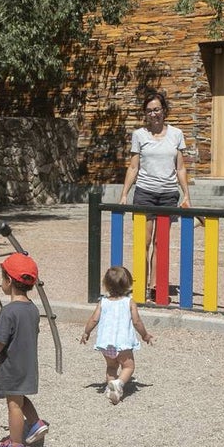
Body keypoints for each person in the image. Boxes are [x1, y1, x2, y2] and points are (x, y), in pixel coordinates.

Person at [118, 89, 191, 298]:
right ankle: (139, 285)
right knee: (144, 241)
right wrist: (124, 194)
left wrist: (186, 194)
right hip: (145, 193)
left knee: (161, 243)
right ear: (145, 114)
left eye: (157, 109)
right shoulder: (139, 135)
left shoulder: (176, 134)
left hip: (168, 194)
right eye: (149, 111)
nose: (153, 114)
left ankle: (156, 287)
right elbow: (133, 167)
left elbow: (180, 168)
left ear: (164, 110)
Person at [0, 252, 48, 447]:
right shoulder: (32, 309)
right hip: (28, 364)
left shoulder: (8, 312)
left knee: (14, 405)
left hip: (12, 366)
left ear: (8, 281)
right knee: (20, 397)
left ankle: (16, 443)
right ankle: (35, 423)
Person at [80, 265, 154, 405]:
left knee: (111, 366)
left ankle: (111, 388)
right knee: (128, 367)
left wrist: (86, 332)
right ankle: (119, 383)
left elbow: (94, 319)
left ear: (106, 285)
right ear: (128, 284)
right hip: (123, 343)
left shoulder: (103, 302)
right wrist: (145, 335)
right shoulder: (129, 302)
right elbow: (137, 321)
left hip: (106, 343)